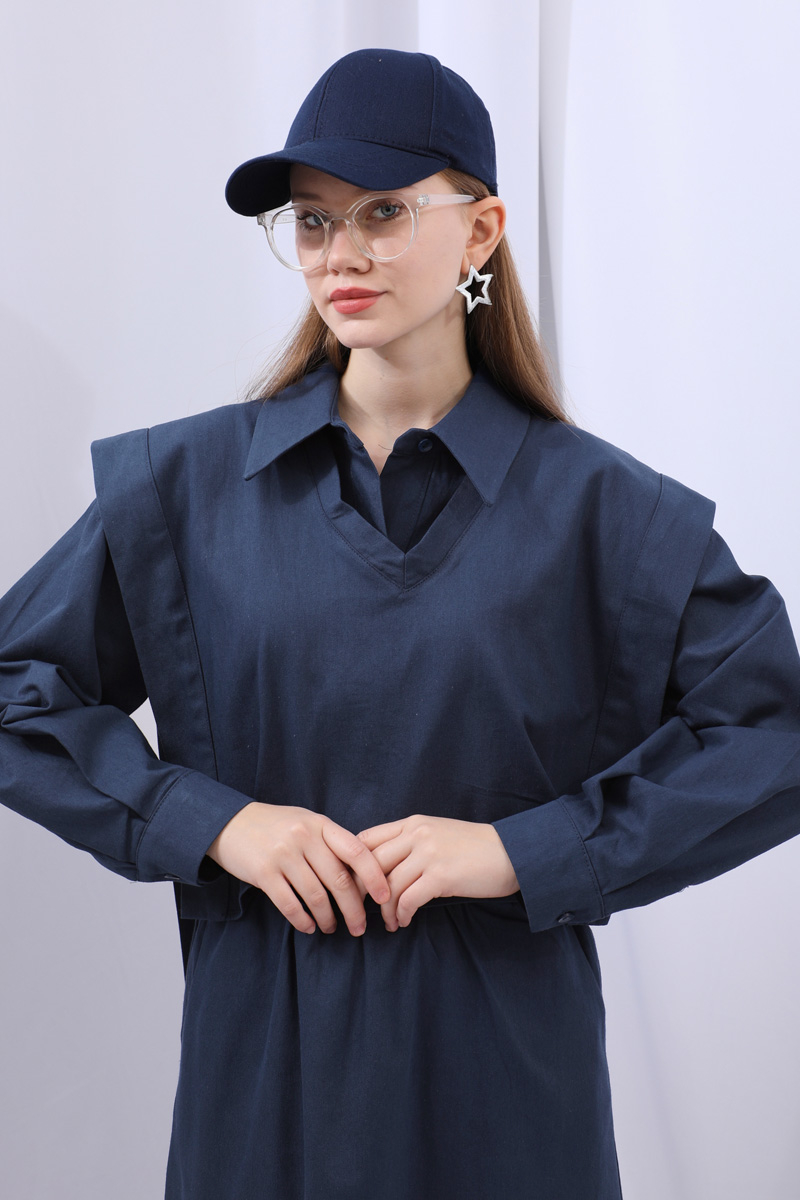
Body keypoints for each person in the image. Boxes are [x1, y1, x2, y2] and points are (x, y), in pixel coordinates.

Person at [1, 46, 799, 1200]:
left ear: (480, 232)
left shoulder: (604, 513)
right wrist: (215, 822)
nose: (341, 254)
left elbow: (769, 734)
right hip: (263, 1080)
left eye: (381, 211)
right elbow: (17, 689)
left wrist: (522, 849)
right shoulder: (185, 490)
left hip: (503, 1086)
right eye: (312, 221)